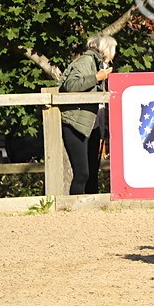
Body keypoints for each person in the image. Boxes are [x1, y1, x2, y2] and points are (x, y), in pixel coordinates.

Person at [60, 34, 116, 194]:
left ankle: (92, 212)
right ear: (106, 49)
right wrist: (97, 77)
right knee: (82, 173)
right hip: (76, 123)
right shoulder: (86, 61)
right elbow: (70, 85)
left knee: (92, 173)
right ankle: (74, 210)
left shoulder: (97, 63)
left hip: (92, 124)